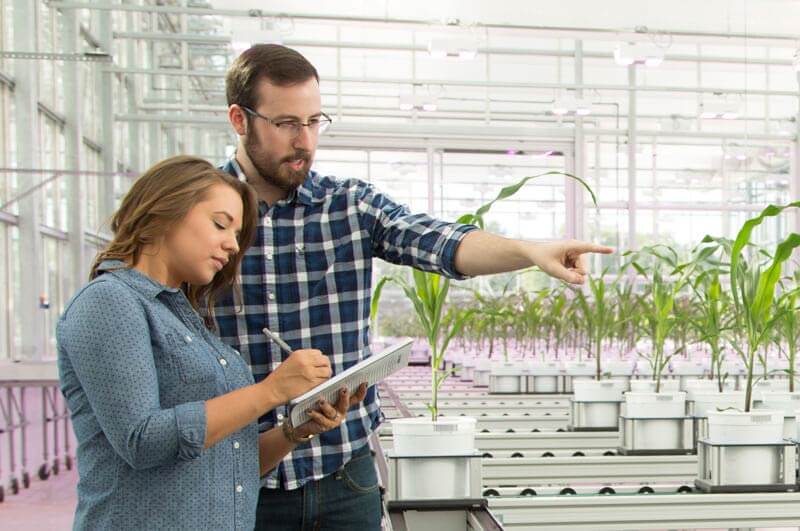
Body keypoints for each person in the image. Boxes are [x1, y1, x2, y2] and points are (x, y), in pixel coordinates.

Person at [217, 44, 614, 530]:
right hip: (240, 481)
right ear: (240, 119)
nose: (305, 140)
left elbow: (440, 242)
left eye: (315, 121)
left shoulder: (347, 205)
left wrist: (528, 251)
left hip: (344, 473)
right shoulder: (202, 213)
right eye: (286, 124)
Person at [57, 155, 367, 530]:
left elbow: (228, 465)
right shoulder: (109, 301)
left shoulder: (185, 316)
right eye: (221, 225)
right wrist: (271, 391)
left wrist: (294, 431)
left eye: (237, 235)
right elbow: (143, 440)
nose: (233, 246)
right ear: (164, 211)